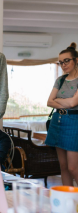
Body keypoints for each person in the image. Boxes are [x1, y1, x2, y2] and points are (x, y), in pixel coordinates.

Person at [45, 43, 78, 187]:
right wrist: (65, 102)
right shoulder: (60, 80)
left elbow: (73, 104)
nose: (63, 64)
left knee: (72, 167)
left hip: (73, 122)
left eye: (67, 61)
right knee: (63, 167)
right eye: (60, 62)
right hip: (57, 121)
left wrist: (58, 100)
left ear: (76, 60)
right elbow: (49, 102)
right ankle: (68, 201)